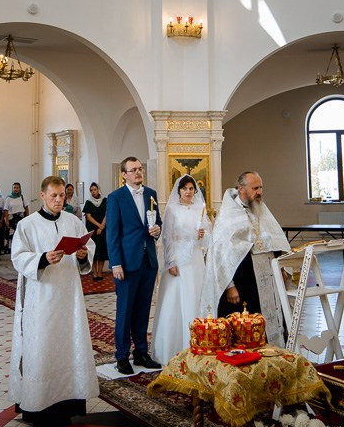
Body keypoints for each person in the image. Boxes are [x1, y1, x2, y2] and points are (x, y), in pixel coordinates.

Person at [9, 175, 98, 427]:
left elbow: (87, 245)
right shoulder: (28, 224)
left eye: (62, 196)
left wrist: (83, 254)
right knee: (42, 346)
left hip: (68, 296)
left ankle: (67, 404)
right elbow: (18, 257)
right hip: (42, 297)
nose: (59, 200)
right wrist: (43, 258)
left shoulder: (73, 221)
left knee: (69, 344)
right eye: (54, 196)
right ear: (43, 195)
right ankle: (38, 408)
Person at [199, 171, 290, 346]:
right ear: (241, 189)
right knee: (244, 331)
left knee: (268, 322)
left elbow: (277, 241)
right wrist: (230, 286)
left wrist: (283, 268)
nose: (260, 192)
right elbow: (219, 255)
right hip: (243, 283)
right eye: (255, 188)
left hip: (267, 280)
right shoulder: (228, 216)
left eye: (261, 187)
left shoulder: (262, 211)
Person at [106, 156, 163, 374]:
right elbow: (112, 233)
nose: (138, 172)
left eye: (140, 169)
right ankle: (121, 356)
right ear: (124, 174)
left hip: (148, 260)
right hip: (127, 263)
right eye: (133, 170)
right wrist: (116, 263)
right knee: (125, 310)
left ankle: (141, 352)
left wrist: (157, 228)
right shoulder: (116, 198)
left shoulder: (151, 194)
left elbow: (156, 221)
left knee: (142, 309)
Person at [152, 175, 208, 363]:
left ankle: (198, 345)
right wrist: (170, 262)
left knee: (196, 297)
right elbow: (167, 237)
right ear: (179, 191)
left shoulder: (200, 208)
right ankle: (173, 348)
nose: (188, 192)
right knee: (176, 300)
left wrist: (202, 234)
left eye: (191, 188)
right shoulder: (172, 209)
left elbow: (207, 237)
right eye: (185, 189)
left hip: (195, 258)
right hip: (178, 259)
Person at [82, 183, 108, 280]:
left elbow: (107, 213)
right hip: (92, 229)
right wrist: (99, 226)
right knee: (93, 251)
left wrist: (102, 227)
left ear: (98, 190)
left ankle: (100, 272)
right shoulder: (88, 202)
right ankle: (95, 273)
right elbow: (88, 217)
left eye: (95, 189)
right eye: (91, 190)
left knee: (101, 251)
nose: (93, 192)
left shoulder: (105, 201)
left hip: (103, 229)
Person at [3, 182, 29, 252]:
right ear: (12, 189)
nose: (16, 189)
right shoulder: (8, 198)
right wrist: (6, 220)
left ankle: (20, 249)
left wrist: (27, 218)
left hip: (21, 218)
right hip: (11, 218)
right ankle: (11, 250)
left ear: (19, 188)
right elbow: (5, 210)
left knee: (20, 234)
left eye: (17, 188)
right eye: (14, 188)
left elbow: (26, 208)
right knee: (11, 234)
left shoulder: (23, 197)